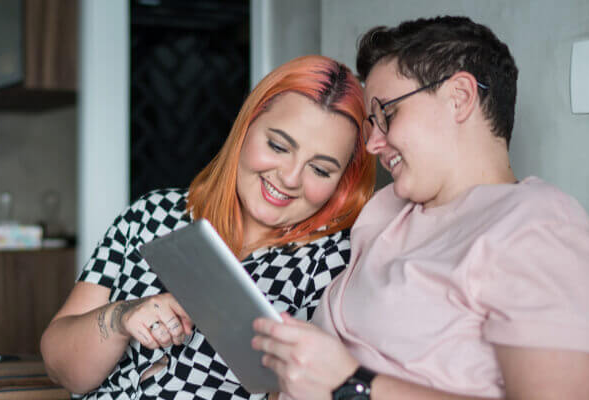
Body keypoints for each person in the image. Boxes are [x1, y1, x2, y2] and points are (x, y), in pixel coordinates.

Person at [251, 16, 589, 400]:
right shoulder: (387, 212)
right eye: (373, 123)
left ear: (460, 97)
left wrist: (353, 387)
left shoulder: (541, 228)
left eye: (387, 114)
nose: (373, 144)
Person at [41, 55, 377, 399]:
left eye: (320, 169)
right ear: (246, 127)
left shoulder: (335, 264)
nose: (289, 178)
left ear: (343, 182)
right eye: (278, 146)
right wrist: (120, 318)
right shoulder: (152, 215)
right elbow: (59, 367)